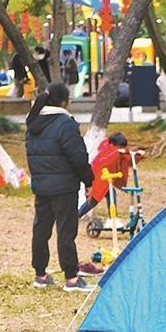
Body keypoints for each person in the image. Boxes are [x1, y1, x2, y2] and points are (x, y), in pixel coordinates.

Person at [25, 81, 92, 289]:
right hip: (64, 187)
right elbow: (78, 157)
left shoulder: (34, 123)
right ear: (65, 101)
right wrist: (89, 180)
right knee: (66, 232)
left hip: (41, 185)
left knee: (41, 230)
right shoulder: (65, 124)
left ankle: (40, 276)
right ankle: (71, 278)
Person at [80, 131, 130, 219]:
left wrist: (137, 155)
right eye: (120, 147)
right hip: (98, 181)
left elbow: (127, 159)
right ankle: (76, 216)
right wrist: (117, 153)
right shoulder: (105, 151)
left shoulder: (115, 150)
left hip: (106, 181)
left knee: (111, 195)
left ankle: (113, 218)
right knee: (91, 202)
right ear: (114, 145)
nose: (121, 149)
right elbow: (105, 161)